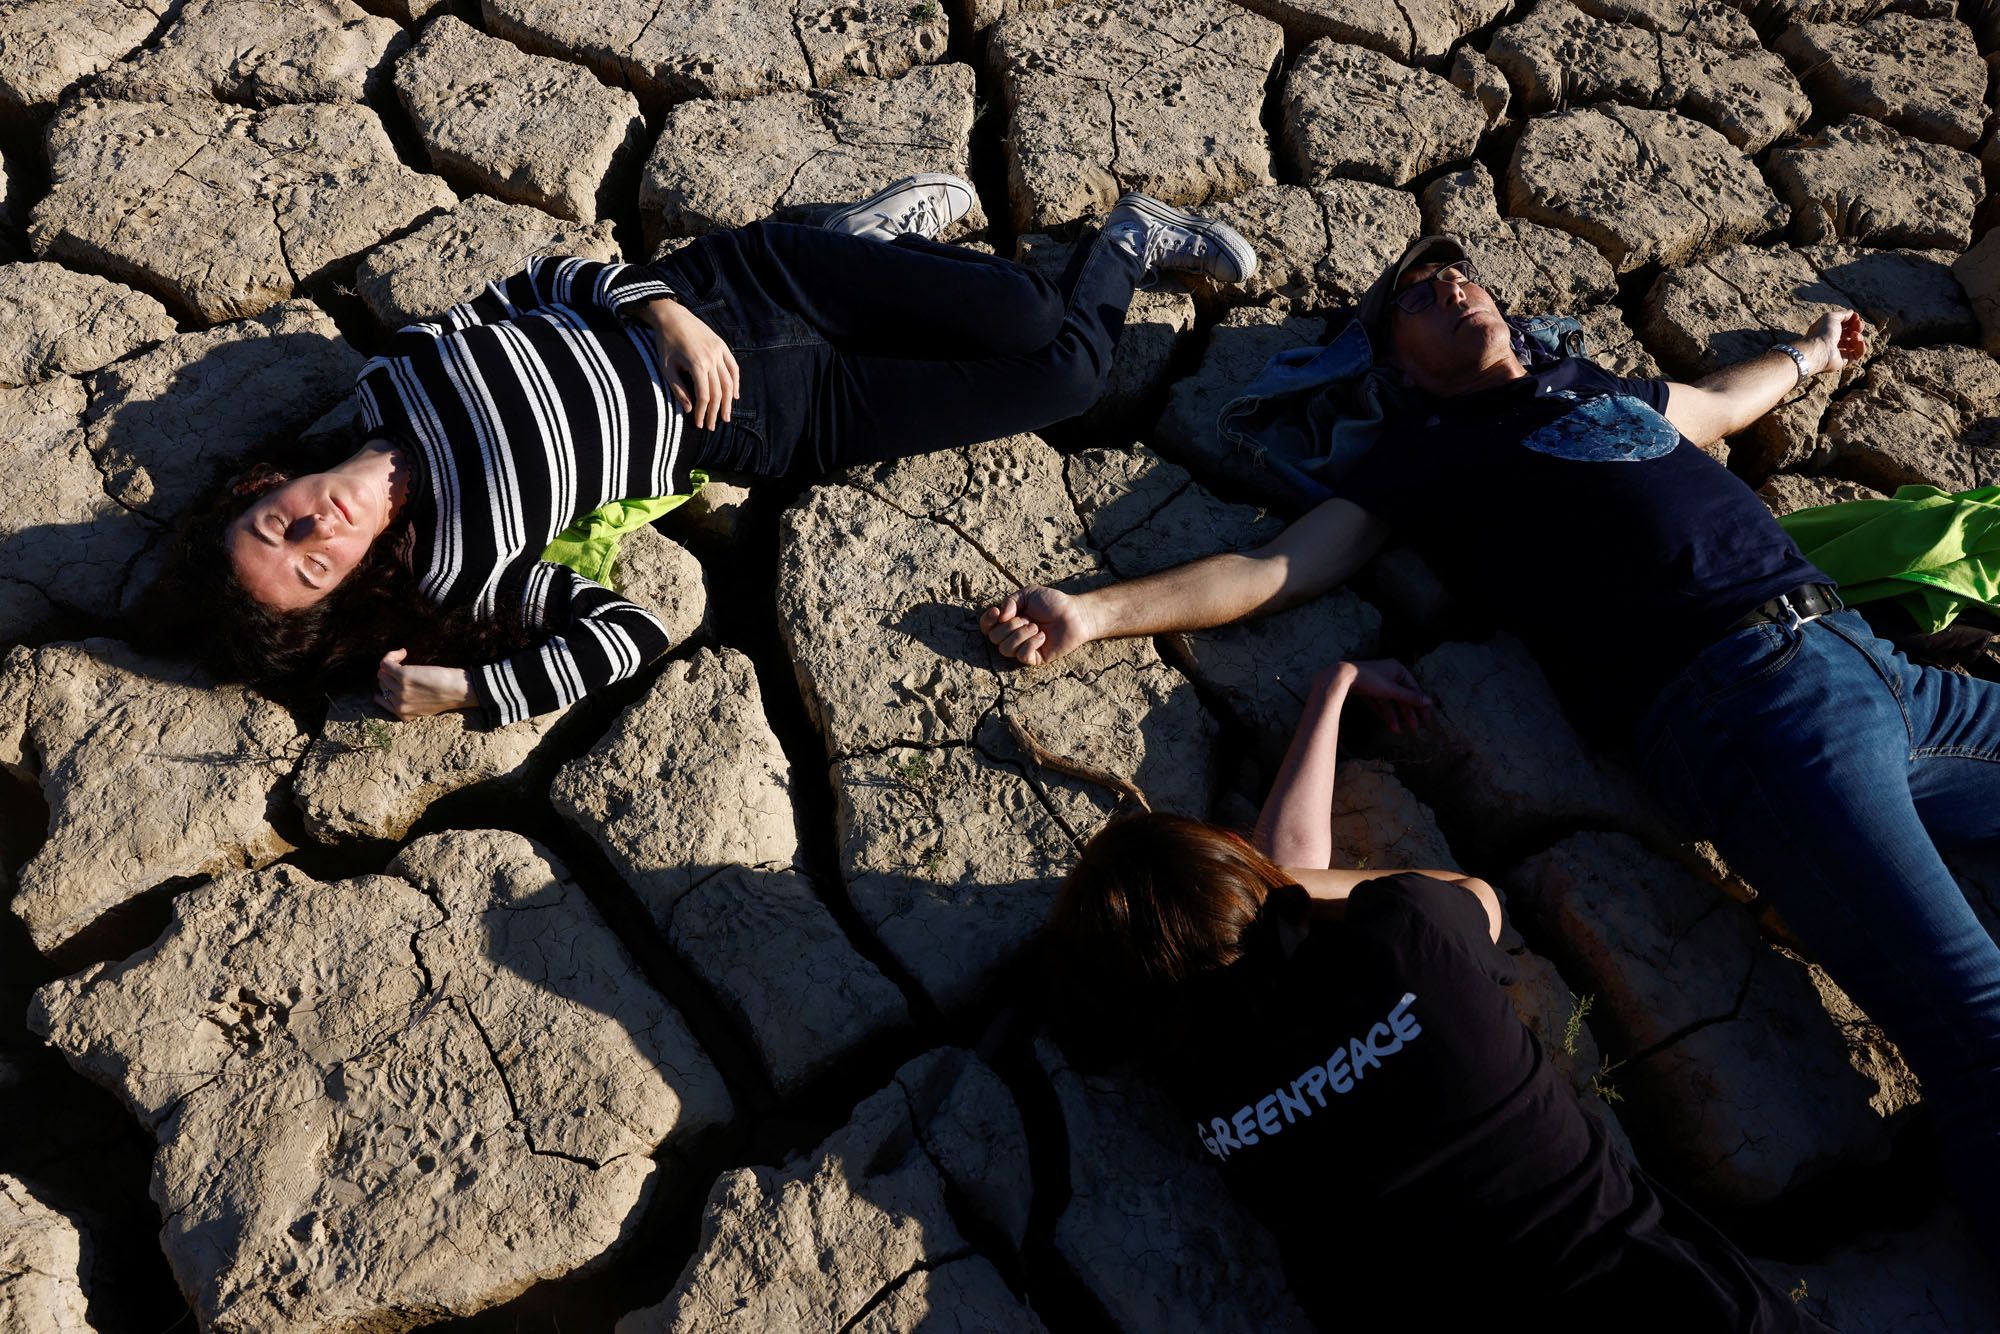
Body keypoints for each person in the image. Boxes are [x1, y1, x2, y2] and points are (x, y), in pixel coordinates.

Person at [985, 234, 2000, 1265]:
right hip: (1756, 714)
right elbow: (1275, 566)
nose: (1450, 284)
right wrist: (1090, 610)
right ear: (1395, 364)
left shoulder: (1588, 385)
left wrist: (1810, 352)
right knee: (1976, 1021)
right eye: (1416, 296)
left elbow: (1713, 404)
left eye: (1456, 271)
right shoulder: (1430, 452)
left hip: (1876, 667)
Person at [172, 175, 1257, 724]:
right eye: (315, 564)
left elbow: (547, 281)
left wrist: (662, 313)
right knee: (1064, 374)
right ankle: (1127, 240)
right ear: (351, 581)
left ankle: (854, 241)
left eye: (281, 522)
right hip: (782, 418)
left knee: (1024, 310)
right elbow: (625, 636)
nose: (322, 527)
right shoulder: (468, 565)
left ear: (266, 485)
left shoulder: (389, 375)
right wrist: (467, 690)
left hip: (733, 291)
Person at [1042, 659, 1827, 1330]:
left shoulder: (1186, 1075)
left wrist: (1330, 698)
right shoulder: (1407, 940)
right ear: (1264, 893)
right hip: (1659, 1298)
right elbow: (1480, 900)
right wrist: (1329, 704)